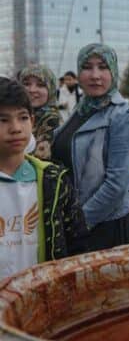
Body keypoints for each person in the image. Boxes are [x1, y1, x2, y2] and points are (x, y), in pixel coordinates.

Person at [51, 44, 129, 252]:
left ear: (113, 71)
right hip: (80, 224)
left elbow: (116, 185)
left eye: (103, 67)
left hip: (110, 227)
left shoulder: (123, 117)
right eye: (87, 67)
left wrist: (79, 223)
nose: (95, 75)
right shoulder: (81, 109)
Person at [0, 78, 86, 278]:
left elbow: (77, 243)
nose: (16, 128)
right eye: (3, 120)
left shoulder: (53, 180)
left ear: (33, 120)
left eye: (23, 118)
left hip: (42, 298)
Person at [18, 65, 60, 160]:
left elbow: (40, 158)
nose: (32, 90)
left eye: (40, 85)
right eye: (26, 84)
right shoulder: (18, 115)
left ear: (51, 90)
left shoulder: (51, 119)